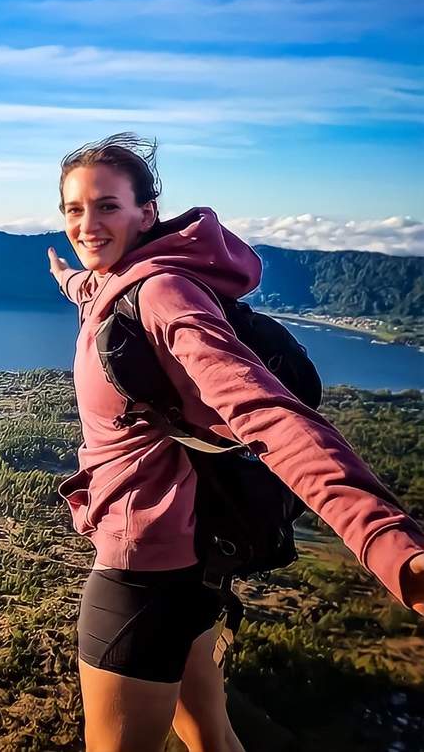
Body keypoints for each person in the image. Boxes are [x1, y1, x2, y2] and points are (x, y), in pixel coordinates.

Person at [43, 131, 424, 752]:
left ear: (147, 212)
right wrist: (69, 280)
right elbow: (98, 288)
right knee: (212, 738)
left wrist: (386, 541)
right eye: (74, 210)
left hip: (141, 573)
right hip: (191, 563)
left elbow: (266, 412)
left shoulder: (162, 294)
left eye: (107, 206)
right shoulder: (123, 278)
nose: (87, 226)